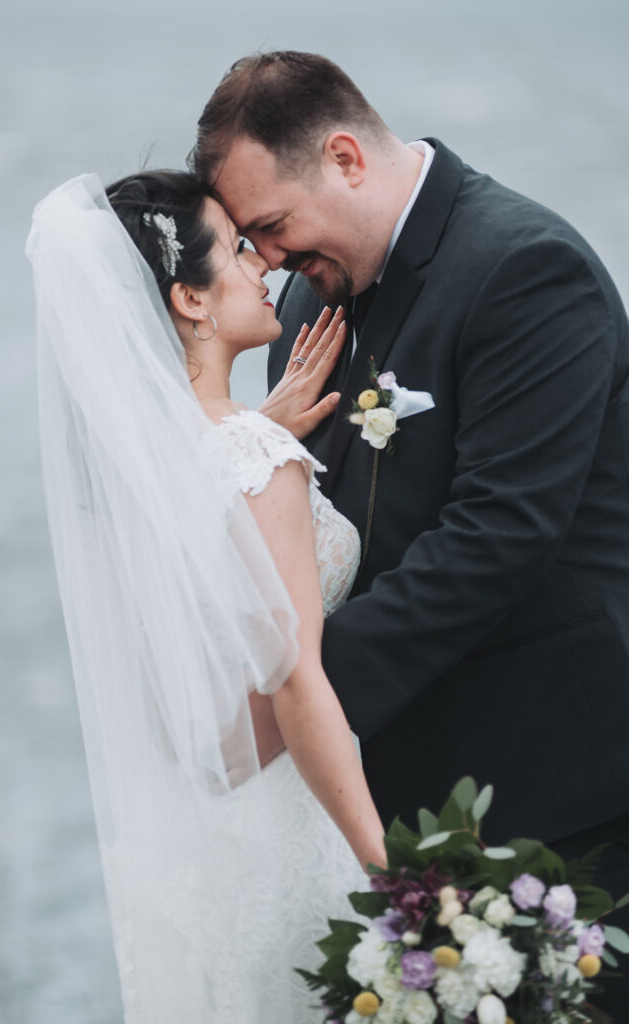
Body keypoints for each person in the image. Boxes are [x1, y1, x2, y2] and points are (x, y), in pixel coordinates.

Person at [191, 51, 629, 1018]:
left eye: (272, 226)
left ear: (344, 158)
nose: (269, 259)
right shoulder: (309, 293)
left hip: (555, 792)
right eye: (251, 242)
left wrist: (294, 697)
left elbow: (496, 537)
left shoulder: (524, 268)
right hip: (397, 801)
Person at [27, 169, 385, 1024]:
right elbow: (293, 680)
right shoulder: (253, 459)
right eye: (236, 251)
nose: (265, 265)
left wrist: (262, 428)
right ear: (190, 299)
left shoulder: (141, 478)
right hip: (294, 828)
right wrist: (393, 874)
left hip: (200, 848)